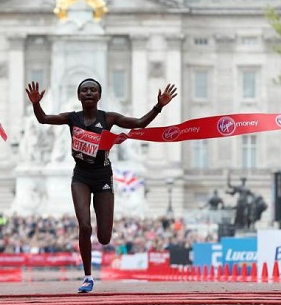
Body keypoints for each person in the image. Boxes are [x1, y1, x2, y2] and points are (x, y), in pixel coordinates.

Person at [25, 79, 177, 293]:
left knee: (104, 237)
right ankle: (87, 276)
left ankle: (102, 232)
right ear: (79, 96)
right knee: (84, 226)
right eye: (84, 90)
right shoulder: (72, 118)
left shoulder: (109, 118)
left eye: (93, 90)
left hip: (103, 176)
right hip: (81, 177)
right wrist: (35, 103)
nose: (88, 93)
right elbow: (43, 119)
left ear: (99, 96)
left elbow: (140, 123)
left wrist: (159, 106)